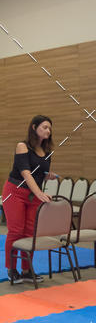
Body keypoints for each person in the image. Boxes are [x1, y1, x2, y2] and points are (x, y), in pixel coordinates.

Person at [2, 115, 61, 284]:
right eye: (44, 127)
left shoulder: (47, 153)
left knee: (29, 233)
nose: (48, 131)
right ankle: (12, 269)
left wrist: (47, 176)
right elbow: (25, 172)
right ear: (34, 127)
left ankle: (27, 271)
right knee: (16, 231)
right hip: (15, 192)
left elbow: (37, 172)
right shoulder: (22, 146)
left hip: (32, 194)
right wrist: (39, 193)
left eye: (50, 128)